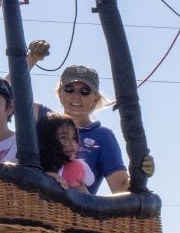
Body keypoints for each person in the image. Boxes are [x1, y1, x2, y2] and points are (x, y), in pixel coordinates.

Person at [55, 65, 129, 193]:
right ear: (60, 93)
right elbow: (8, 101)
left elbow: (121, 190)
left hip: (75, 212)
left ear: (95, 98)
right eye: (69, 89)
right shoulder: (44, 125)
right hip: (35, 209)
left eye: (85, 91)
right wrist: (30, 59)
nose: (76, 96)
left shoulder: (103, 137)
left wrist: (140, 173)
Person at [38, 112, 93, 193]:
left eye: (74, 138)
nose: (72, 143)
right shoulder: (34, 165)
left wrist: (84, 197)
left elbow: (89, 183)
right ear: (47, 140)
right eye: (63, 137)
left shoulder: (77, 167)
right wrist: (45, 178)